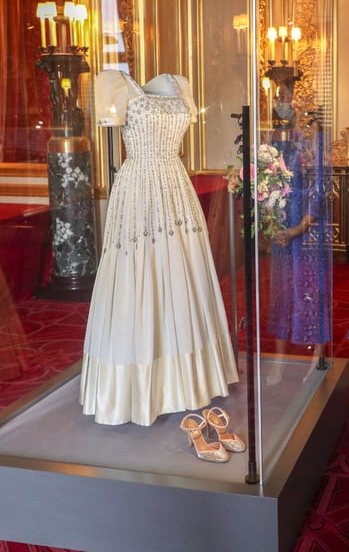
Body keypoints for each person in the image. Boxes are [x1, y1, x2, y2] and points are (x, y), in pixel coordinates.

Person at [81, 71, 239, 426]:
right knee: (140, 272)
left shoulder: (181, 84)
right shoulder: (113, 83)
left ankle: (188, 379)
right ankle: (138, 386)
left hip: (175, 185)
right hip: (138, 188)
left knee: (183, 273)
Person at [265, 105, 331, 385]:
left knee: (311, 293)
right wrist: (272, 222)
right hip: (282, 227)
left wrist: (298, 228)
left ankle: (317, 355)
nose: (282, 102)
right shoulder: (277, 139)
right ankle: (279, 359)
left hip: (308, 232)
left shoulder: (315, 140)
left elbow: (320, 189)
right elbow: (269, 182)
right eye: (278, 97)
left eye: (286, 97)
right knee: (281, 295)